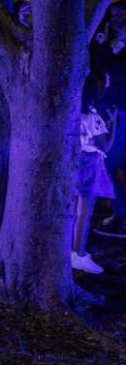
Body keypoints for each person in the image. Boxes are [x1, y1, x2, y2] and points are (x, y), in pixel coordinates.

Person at [93, 0, 126, 238]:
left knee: (112, 160)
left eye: (121, 15)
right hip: (112, 109)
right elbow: (98, 65)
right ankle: (121, 213)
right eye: (113, 16)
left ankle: (122, 214)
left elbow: (115, 70)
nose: (116, 20)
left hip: (121, 109)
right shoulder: (109, 42)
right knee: (112, 162)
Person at [73, 73, 110, 274]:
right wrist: (113, 125)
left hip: (74, 162)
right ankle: (78, 254)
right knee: (84, 213)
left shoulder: (71, 113)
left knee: (73, 212)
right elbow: (105, 146)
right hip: (90, 164)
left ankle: (72, 251)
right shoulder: (94, 117)